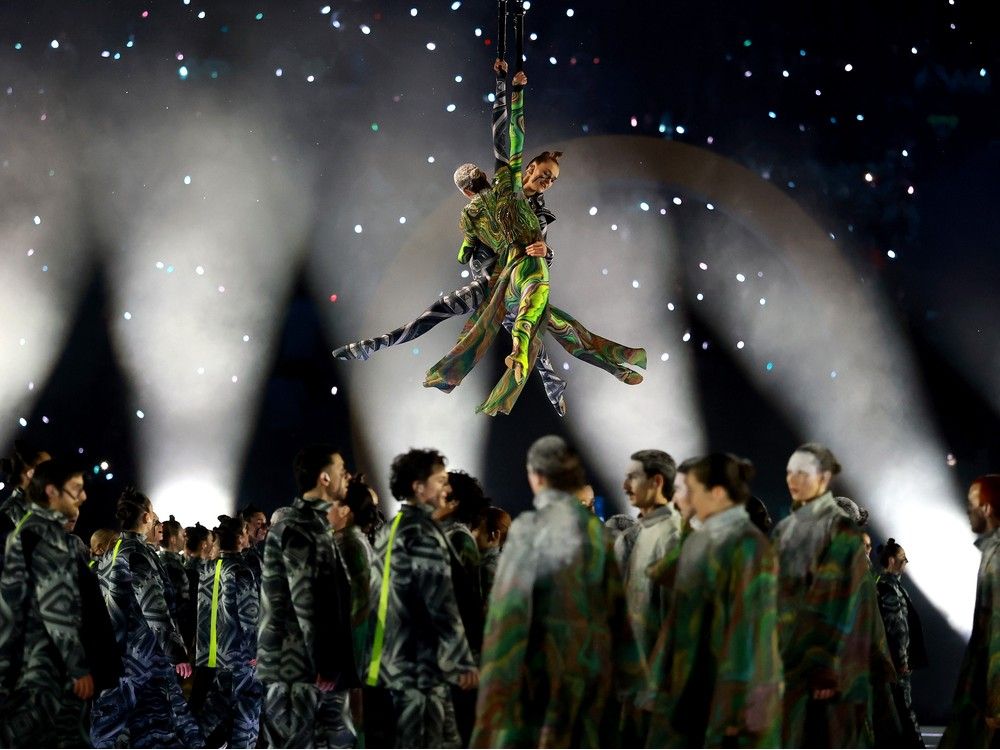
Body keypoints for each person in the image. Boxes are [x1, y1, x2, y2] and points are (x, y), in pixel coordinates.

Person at [423, 57, 645, 415]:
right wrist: (512, 89)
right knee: (550, 326)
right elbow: (508, 136)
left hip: (526, 275)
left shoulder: (539, 213)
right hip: (500, 282)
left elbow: (540, 248)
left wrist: (546, 250)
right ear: (530, 169)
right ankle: (608, 365)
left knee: (548, 324)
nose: (548, 181)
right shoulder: (502, 188)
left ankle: (612, 365)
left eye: (553, 178)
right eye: (545, 173)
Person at [471, 435, 643, 747]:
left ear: (537, 477)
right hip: (595, 684)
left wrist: (490, 711)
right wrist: (633, 682)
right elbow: (619, 614)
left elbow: (506, 622)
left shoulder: (528, 532)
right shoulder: (600, 537)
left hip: (543, 685)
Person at [646, 453, 782, 747]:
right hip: (694, 693)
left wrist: (734, 711)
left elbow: (750, 634)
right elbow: (662, 573)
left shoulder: (747, 546)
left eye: (687, 490)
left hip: (728, 705)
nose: (678, 498)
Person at [366, 449, 478, 748]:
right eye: (440, 480)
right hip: (421, 668)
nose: (447, 488)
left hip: (391, 662)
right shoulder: (424, 533)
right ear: (418, 487)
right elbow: (440, 602)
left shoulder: (389, 529)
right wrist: (462, 661)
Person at [772, 442, 880, 747]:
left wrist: (826, 666)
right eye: (790, 472)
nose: (794, 480)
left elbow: (842, 604)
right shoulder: (787, 531)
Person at [256, 444, 357, 748]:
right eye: (341, 470)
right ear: (324, 478)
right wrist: (325, 661)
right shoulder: (298, 526)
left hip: (310, 668)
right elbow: (307, 599)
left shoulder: (315, 526)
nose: (347, 476)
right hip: (297, 670)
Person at [91, 487, 203, 748]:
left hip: (117, 658)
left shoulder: (111, 552)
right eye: (152, 512)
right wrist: (176, 652)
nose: (155, 518)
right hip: (145, 662)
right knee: (157, 731)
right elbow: (154, 607)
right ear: (144, 517)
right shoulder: (138, 554)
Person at [0, 458, 94, 747]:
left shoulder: (29, 528)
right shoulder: (46, 535)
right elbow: (54, 606)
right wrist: (77, 666)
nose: (83, 497)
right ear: (52, 491)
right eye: (76, 489)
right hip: (42, 667)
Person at [941, 475, 1000, 748]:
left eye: (972, 503)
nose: (967, 510)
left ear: (987, 508)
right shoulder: (992, 553)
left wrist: (996, 701)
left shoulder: (997, 557)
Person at [194, 514, 262, 748]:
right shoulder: (241, 571)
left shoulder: (207, 568)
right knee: (246, 718)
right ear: (240, 537)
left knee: (209, 716)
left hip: (209, 655)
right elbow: (248, 616)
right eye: (245, 532)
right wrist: (255, 650)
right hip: (238, 658)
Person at [329, 477, 381, 747]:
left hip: (352, 655)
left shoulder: (349, 544)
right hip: (352, 656)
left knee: (350, 722)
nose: (327, 509)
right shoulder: (349, 540)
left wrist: (350, 666)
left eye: (333, 505)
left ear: (345, 511)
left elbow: (359, 607)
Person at [875, 538, 927, 747]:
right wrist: (902, 660)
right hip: (895, 665)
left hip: (893, 663)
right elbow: (897, 629)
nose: (906, 562)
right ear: (890, 561)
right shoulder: (888, 589)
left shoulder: (890, 587)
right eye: (902, 558)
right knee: (903, 711)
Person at [240, 504, 268, 585]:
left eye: (265, 523)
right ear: (245, 525)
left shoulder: (256, 551)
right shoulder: (240, 553)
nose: (265, 527)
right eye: (259, 523)